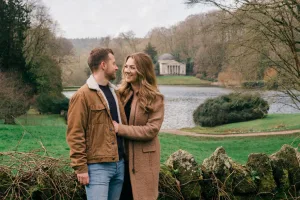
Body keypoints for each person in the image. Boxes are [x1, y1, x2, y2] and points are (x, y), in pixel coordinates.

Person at [66, 48, 127, 200]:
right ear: (103, 65)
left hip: (119, 165)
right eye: (113, 63)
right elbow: (75, 133)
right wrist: (80, 167)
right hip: (97, 168)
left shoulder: (115, 93)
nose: (117, 67)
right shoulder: (82, 96)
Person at [113, 52, 165, 200]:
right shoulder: (122, 94)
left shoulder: (155, 97)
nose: (127, 70)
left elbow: (151, 130)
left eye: (132, 67)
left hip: (144, 162)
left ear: (143, 70)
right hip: (123, 161)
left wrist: (120, 129)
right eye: (126, 66)